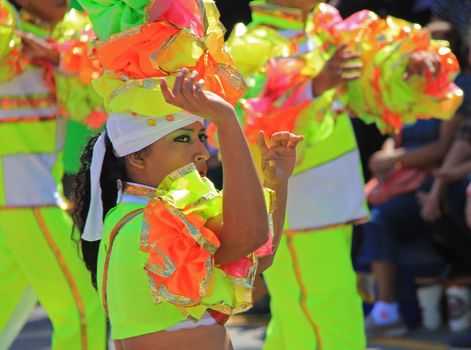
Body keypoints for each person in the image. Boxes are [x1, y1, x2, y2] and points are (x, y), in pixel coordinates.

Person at [225, 1, 462, 348]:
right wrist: (315, 85)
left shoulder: (323, 29)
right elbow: (243, 118)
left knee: (300, 313)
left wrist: (406, 64)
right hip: (297, 205)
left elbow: (369, 78)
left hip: (330, 200)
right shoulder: (252, 44)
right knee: (327, 312)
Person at [73, 0, 302, 348]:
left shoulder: (158, 213)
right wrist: (226, 121)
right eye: (183, 139)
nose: (202, 151)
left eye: (200, 135)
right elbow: (249, 237)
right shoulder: (144, 225)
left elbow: (257, 258)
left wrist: (276, 184)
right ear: (136, 155)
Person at [0, 0, 106, 349]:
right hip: (24, 196)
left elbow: (96, 97)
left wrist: (59, 59)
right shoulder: (6, 28)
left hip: (25, 198)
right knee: (82, 307)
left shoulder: (60, 37)